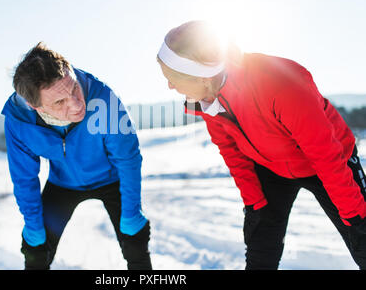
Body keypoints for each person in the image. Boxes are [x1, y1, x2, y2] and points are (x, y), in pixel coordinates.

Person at [156, 21, 366, 269]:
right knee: (260, 250)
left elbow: (325, 154)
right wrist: (253, 202)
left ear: (202, 77)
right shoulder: (205, 99)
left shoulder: (280, 82)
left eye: (172, 78)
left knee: (361, 238)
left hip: (326, 163)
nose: (169, 86)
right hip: (270, 167)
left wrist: (354, 214)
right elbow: (232, 153)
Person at [1, 42, 152, 270]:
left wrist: (131, 213)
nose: (76, 104)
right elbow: (24, 178)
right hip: (63, 184)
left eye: (73, 88)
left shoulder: (104, 98)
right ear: (35, 106)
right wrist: (33, 225)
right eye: (60, 102)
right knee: (36, 249)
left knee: (134, 240)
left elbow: (128, 158)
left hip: (112, 179)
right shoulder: (19, 120)